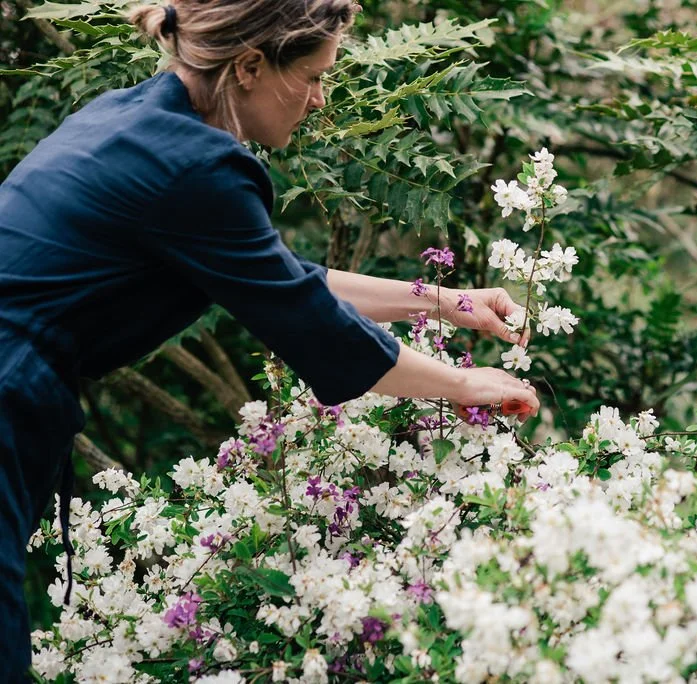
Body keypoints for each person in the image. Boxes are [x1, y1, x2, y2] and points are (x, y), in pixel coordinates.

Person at [0, 0, 539, 679]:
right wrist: (464, 383)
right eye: (314, 77)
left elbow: (279, 278)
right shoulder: (194, 167)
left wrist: (446, 302)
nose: (320, 101)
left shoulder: (136, 121)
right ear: (250, 66)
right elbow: (310, 324)